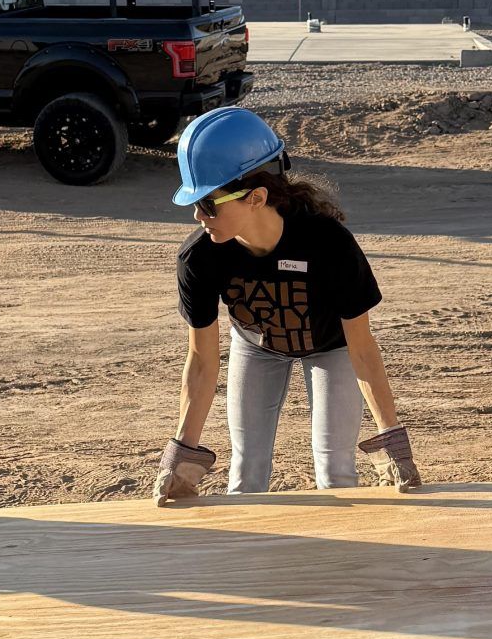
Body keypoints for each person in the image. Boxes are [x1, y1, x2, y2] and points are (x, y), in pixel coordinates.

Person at [155, 107, 420, 499]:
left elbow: (362, 350)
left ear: (256, 197)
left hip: (332, 349)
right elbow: (202, 362)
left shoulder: (328, 244)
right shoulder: (199, 258)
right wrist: (182, 455)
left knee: (335, 470)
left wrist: (391, 437)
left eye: (208, 203)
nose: (198, 215)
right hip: (257, 348)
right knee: (246, 471)